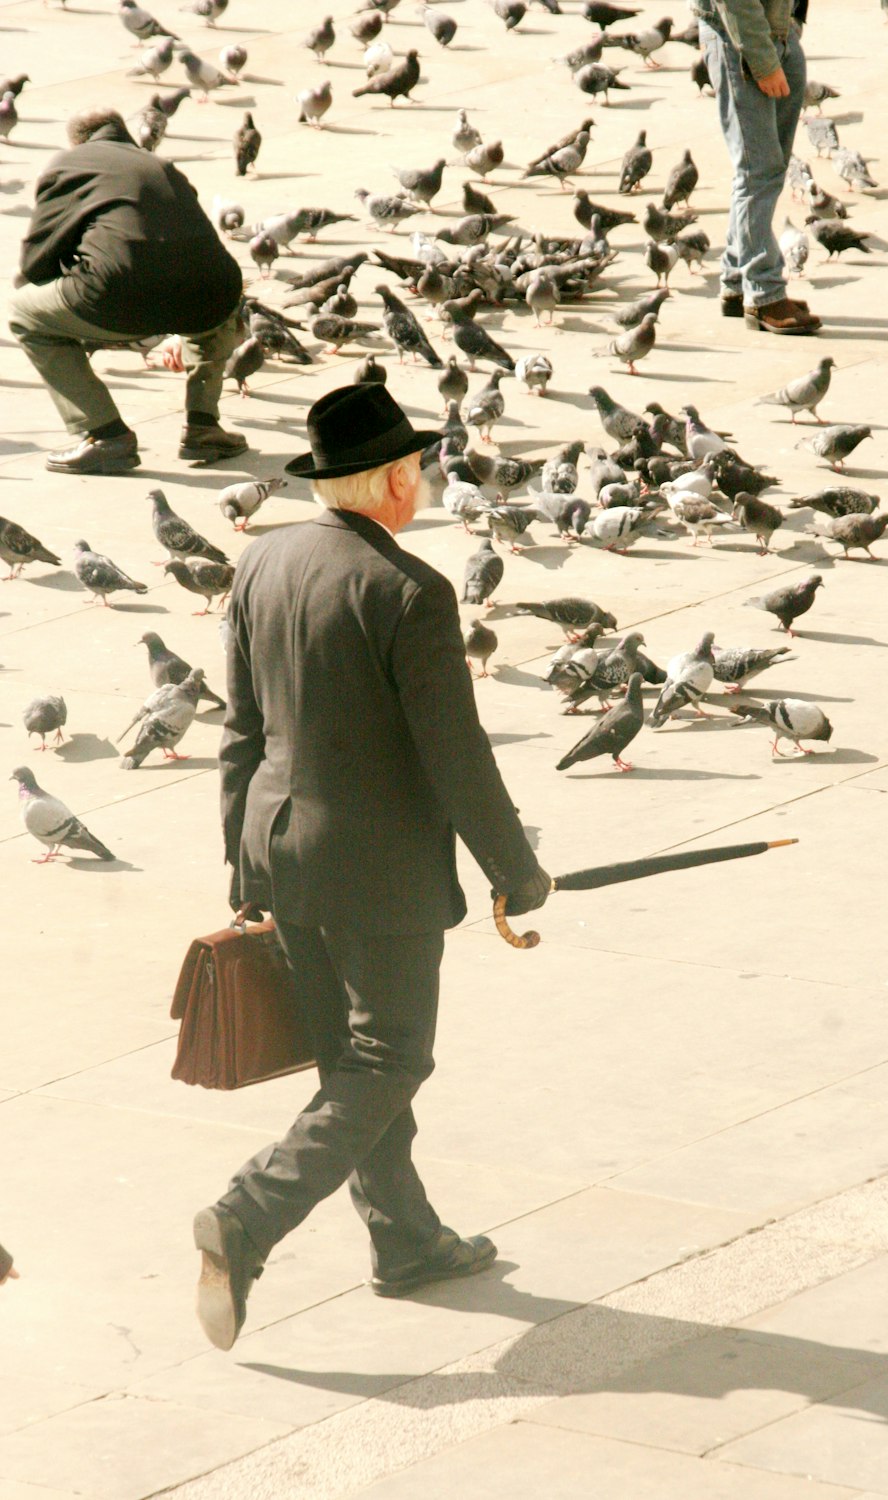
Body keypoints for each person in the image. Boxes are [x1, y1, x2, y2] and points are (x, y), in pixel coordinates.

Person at [197, 384, 550, 1352]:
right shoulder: (409, 591)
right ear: (393, 479)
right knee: (390, 1059)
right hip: (374, 867)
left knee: (353, 1065)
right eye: (422, 469)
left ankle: (405, 1241)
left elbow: (240, 728)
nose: (427, 482)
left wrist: (242, 860)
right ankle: (249, 1213)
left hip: (278, 846)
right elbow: (455, 752)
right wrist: (514, 869)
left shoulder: (263, 558)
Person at [10, 108, 247, 475]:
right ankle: (203, 426)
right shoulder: (163, 166)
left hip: (122, 295)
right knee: (216, 306)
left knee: (23, 314)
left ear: (79, 141)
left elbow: (36, 260)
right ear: (126, 136)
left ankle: (106, 435)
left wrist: (75, 313)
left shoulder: (71, 163)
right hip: (212, 291)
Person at [693, 0, 822, 334]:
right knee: (758, 171)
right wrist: (763, 60)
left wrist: (792, 25)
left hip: (777, 30)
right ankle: (763, 293)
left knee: (767, 169)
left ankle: (738, 281)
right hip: (740, 39)